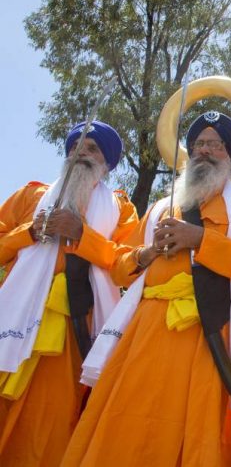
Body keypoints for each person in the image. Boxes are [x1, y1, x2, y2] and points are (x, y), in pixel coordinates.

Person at [61, 111, 231, 466]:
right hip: (147, 329)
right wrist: (146, 253)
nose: (204, 151)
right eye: (198, 145)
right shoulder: (162, 207)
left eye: (215, 145)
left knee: (196, 430)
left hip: (209, 331)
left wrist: (201, 240)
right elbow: (119, 268)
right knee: (127, 418)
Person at [0, 120, 137, 466]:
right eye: (78, 147)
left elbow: (127, 266)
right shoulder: (29, 197)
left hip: (76, 329)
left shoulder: (121, 209)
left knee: (51, 423)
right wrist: (28, 233)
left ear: (107, 163)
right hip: (14, 318)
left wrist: (82, 235)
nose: (82, 153)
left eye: (93, 149)